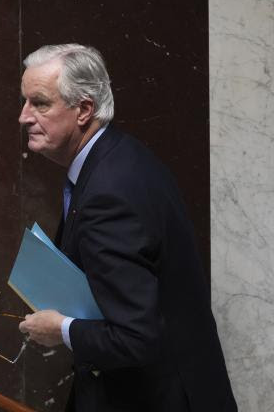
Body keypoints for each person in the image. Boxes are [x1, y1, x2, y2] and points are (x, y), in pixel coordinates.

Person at [16, 44, 236, 412]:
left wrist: (62, 330)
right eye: (24, 101)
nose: (24, 116)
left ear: (83, 110)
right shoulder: (116, 157)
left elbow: (137, 337)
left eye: (39, 103)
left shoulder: (109, 191)